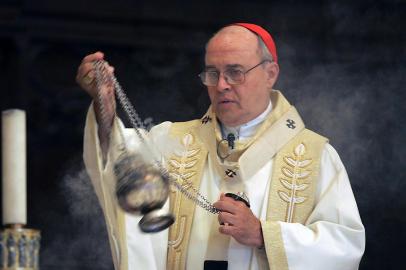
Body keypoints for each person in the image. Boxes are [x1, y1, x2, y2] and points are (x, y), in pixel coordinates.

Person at [76, 23, 365, 270]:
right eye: (212, 74)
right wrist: (105, 107)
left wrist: (264, 235)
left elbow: (344, 246)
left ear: (270, 73)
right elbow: (119, 165)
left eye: (235, 72)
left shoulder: (314, 156)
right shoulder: (170, 142)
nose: (222, 85)